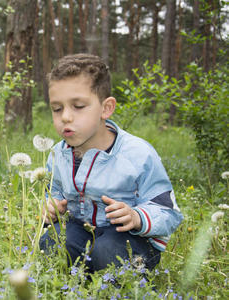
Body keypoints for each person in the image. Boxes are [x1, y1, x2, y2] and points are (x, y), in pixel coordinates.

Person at [39, 53, 183, 272]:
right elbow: (55, 193)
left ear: (106, 108)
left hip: (131, 240)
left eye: (78, 106)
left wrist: (137, 217)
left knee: (107, 251)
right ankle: (82, 282)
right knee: (51, 241)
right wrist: (51, 209)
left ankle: (116, 281)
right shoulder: (59, 154)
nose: (65, 117)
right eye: (57, 109)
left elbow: (169, 213)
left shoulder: (138, 154)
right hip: (82, 230)